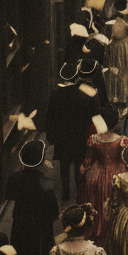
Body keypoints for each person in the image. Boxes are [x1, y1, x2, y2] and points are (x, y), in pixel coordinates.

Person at [5, 139, 59, 255]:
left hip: (22, 222)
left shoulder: (14, 177)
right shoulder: (46, 181)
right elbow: (53, 209)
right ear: (41, 160)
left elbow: (10, 195)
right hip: (42, 225)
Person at [45, 62, 100, 200]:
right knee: (78, 163)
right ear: (76, 77)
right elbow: (94, 114)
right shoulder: (85, 93)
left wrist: (51, 137)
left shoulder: (55, 95)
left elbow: (50, 117)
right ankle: (79, 191)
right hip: (80, 134)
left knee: (63, 164)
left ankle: (65, 192)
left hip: (62, 136)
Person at [77, 105, 128, 243]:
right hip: (116, 177)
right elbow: (125, 162)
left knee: (98, 206)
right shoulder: (122, 140)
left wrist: (84, 174)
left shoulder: (93, 139)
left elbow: (88, 162)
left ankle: (100, 233)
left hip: (98, 177)